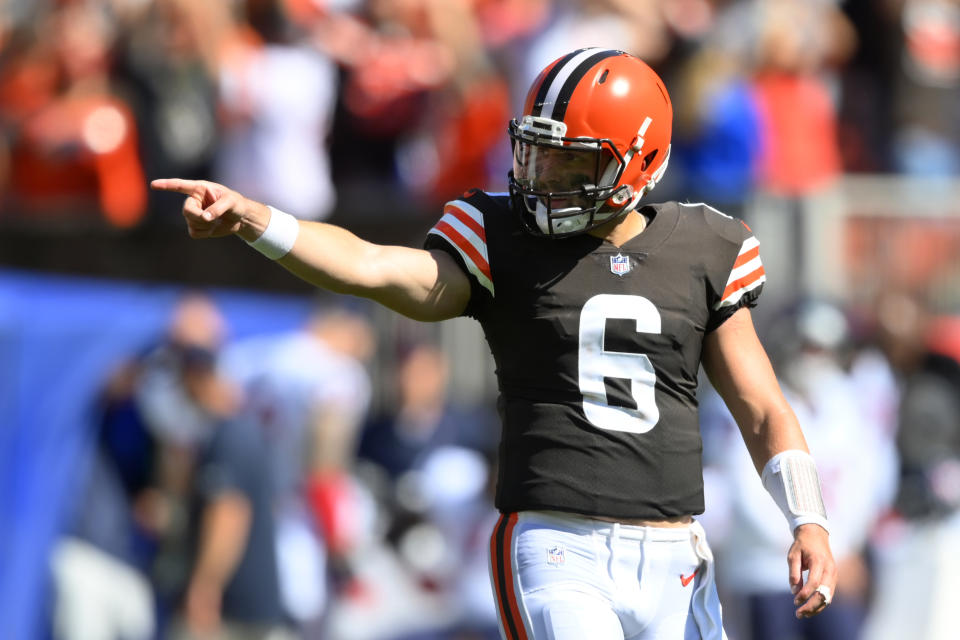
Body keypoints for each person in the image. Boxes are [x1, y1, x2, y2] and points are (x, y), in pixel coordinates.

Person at [153, 48, 836, 640]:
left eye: (571, 165)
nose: (543, 179)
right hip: (559, 545)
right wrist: (260, 221)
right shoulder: (500, 235)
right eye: (539, 152)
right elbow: (377, 266)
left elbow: (762, 408)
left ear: (641, 164)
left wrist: (809, 518)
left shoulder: (704, 246)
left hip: (677, 551)